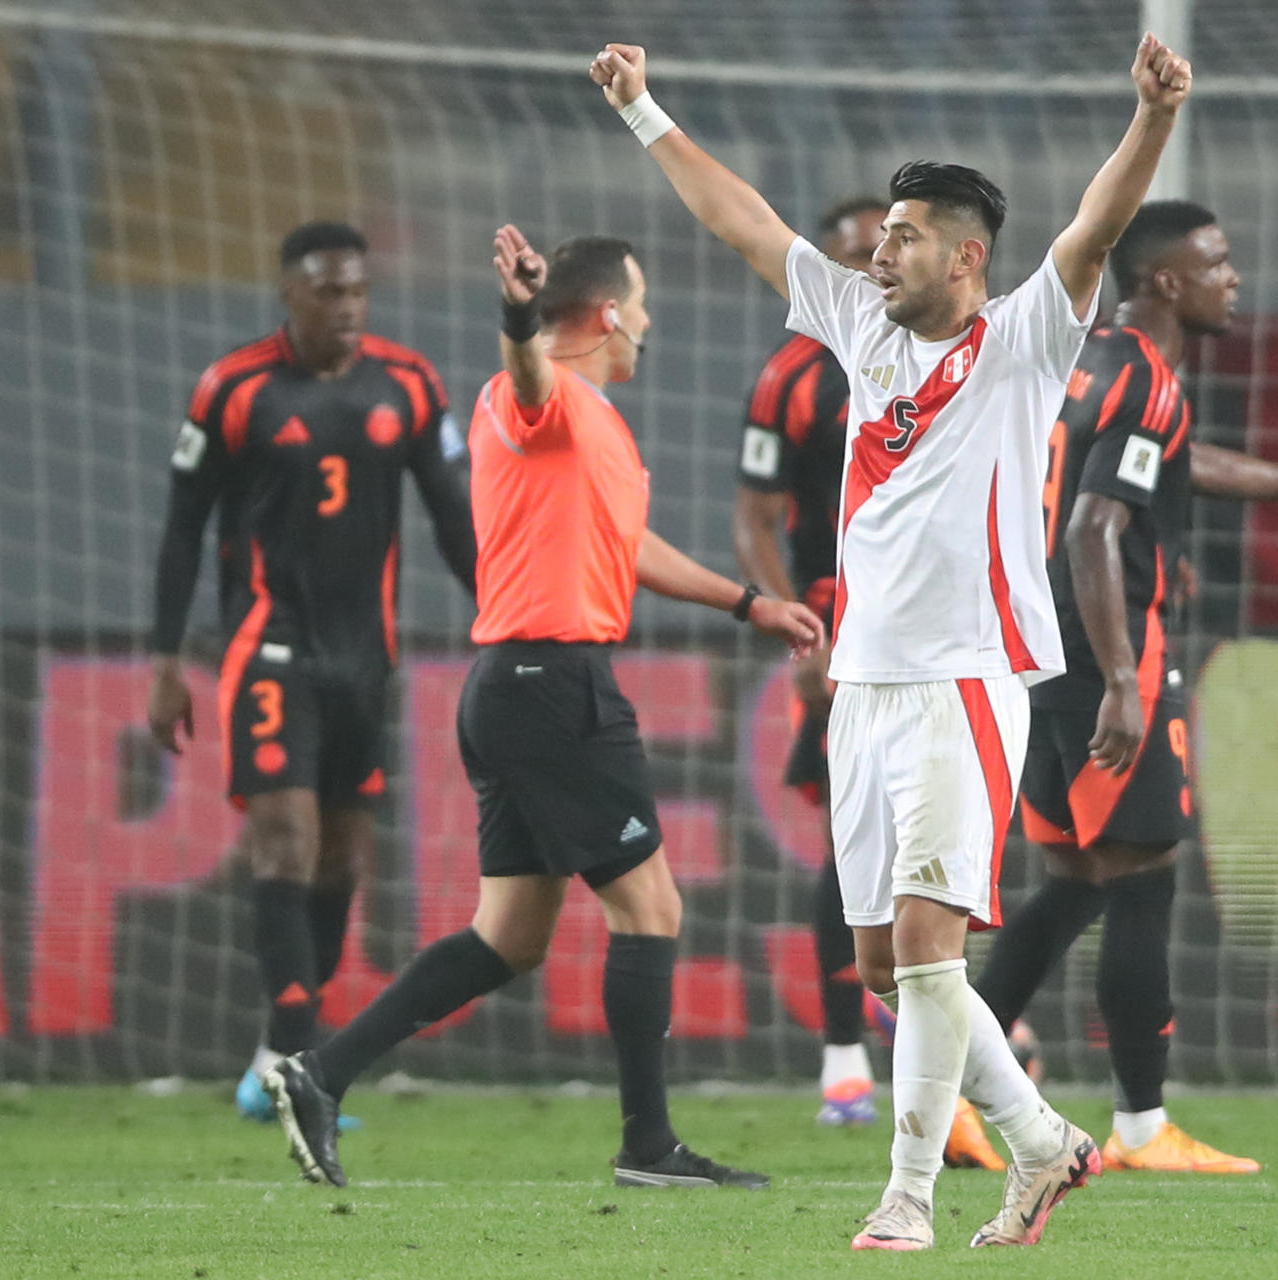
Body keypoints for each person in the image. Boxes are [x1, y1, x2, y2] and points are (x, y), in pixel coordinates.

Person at [593, 32, 1191, 1251]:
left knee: (928, 943)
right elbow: (746, 225)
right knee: (883, 962)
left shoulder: (1026, 337)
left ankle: (908, 1193)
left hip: (967, 678)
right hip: (863, 681)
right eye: (881, 234)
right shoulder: (861, 331)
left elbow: (1091, 226)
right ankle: (1043, 1144)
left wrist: (1151, 122)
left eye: (907, 235)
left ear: (968, 257)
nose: (881, 249)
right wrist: (645, 109)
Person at [264, 229, 824, 1190]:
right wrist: (519, 313)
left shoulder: (592, 423)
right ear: (608, 314)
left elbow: (627, 543)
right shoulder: (546, 396)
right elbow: (527, 372)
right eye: (640, 305)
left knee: (509, 937)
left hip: (514, 686)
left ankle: (319, 1072)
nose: (648, 324)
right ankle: (648, 1147)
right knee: (651, 906)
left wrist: (748, 602)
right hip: (552, 685)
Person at [973, 199, 1278, 1174]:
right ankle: (1139, 1127)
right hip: (1105, 660)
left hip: (1043, 653)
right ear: (1165, 281)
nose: (1232, 278)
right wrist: (1127, 680)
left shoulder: (1094, 362)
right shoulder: (1150, 379)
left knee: (1075, 884)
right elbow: (1094, 528)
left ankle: (951, 1087)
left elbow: (1164, 463)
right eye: (1216, 263)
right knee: (1141, 878)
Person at [147, 221, 477, 1125]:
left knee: (344, 859)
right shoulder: (233, 387)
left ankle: (272, 1060)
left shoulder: (408, 384)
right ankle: (297, 1054)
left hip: (365, 655)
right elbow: (182, 526)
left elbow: (453, 513)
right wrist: (166, 658)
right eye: (329, 292)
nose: (347, 308)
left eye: (359, 292)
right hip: (267, 642)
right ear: (289, 292)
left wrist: (501, 611)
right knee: (284, 836)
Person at [730, 194, 1008, 1170]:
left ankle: (966, 1092)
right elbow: (754, 512)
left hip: (942, 652)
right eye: (862, 251)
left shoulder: (980, 359)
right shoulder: (799, 373)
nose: (873, 267)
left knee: (928, 893)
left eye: (889, 246)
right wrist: (794, 627)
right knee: (849, 861)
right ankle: (847, 1052)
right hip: (838, 632)